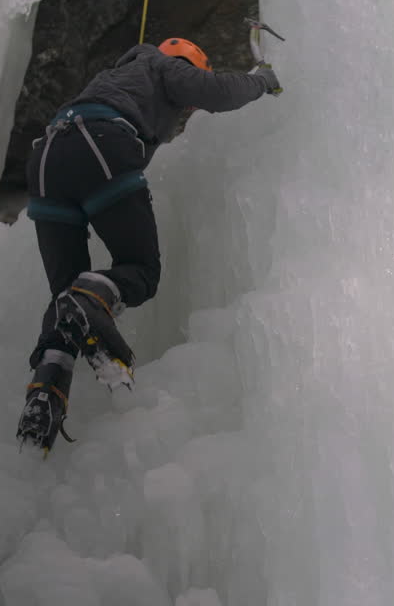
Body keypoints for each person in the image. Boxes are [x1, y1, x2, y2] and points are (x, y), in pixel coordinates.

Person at [16, 37, 279, 452]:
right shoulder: (162, 65)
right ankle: (89, 303)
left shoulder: (112, 75)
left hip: (46, 157)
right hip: (101, 143)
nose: (185, 109)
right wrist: (264, 80)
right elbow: (216, 92)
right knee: (140, 269)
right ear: (187, 63)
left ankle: (45, 394)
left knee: (66, 293)